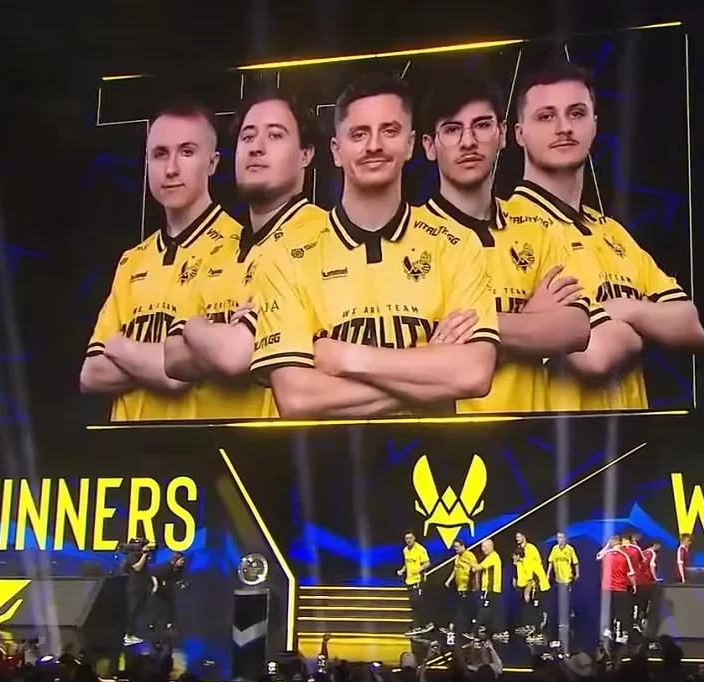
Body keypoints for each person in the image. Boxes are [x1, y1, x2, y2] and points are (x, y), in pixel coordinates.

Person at [248, 73, 499, 419]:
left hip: (432, 452)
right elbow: (297, 398)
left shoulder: (456, 244)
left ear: (410, 144)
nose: (374, 146)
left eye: (389, 131)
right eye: (359, 134)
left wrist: (347, 358)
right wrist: (431, 373)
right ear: (336, 151)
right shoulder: (286, 256)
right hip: (328, 454)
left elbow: (473, 374)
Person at [503, 62, 704, 411]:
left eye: (577, 113)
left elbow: (691, 326)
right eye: (546, 116)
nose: (564, 128)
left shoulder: (612, 232)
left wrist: (622, 309)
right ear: (519, 133)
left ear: (594, 123)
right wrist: (648, 323)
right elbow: (595, 355)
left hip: (632, 436)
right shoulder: (506, 228)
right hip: (554, 439)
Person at [420, 70, 593, 413]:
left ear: (501, 135)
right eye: (452, 129)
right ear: (428, 146)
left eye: (482, 125)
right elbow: (410, 362)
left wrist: (467, 333)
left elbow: (576, 329)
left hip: (532, 435)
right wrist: (533, 318)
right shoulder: (411, 236)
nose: (468, 141)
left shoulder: (537, 229)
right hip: (448, 437)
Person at [163, 89, 329, 420]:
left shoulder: (323, 236)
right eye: (247, 136)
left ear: (306, 154)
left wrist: (194, 329)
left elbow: (236, 355)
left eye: (275, 135)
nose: (256, 147)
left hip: (282, 443)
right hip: (209, 443)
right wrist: (216, 335)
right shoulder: (217, 248)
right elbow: (171, 358)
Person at [82, 100, 243, 421]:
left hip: (203, 443)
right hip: (131, 446)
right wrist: (166, 363)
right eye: (159, 154)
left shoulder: (243, 248)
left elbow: (178, 375)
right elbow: (91, 374)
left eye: (186, 152)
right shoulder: (132, 261)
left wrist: (120, 347)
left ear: (212, 163)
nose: (170, 169)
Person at [597, 534, 635, 643]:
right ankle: (619, 634)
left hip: (607, 588)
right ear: (620, 543)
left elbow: (598, 556)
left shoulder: (606, 554)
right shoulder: (624, 555)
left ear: (612, 543)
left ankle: (609, 630)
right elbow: (631, 573)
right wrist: (634, 585)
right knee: (621, 612)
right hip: (620, 588)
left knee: (609, 610)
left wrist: (607, 546)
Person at [511, 531, 549, 639]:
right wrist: (516, 579)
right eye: (516, 537)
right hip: (525, 582)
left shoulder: (531, 549)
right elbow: (518, 567)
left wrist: (530, 586)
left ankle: (539, 631)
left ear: (524, 536)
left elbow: (533, 568)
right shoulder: (519, 551)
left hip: (536, 583)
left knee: (536, 606)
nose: (517, 539)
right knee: (528, 606)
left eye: (519, 536)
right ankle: (531, 626)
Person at [121, 537, 157, 645]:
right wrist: (144, 555)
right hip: (134, 588)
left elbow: (146, 570)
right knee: (132, 611)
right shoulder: (131, 555)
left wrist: (153, 583)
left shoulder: (140, 555)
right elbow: (137, 568)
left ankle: (134, 633)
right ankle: (128, 635)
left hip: (142, 587)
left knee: (139, 611)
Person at [545, 531, 578, 646]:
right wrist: (548, 574)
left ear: (565, 539)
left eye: (561, 538)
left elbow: (575, 562)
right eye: (558, 538)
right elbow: (550, 562)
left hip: (567, 578)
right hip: (558, 579)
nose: (559, 540)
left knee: (566, 599)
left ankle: (567, 619)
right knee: (559, 600)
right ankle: (561, 619)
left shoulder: (570, 549)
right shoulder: (554, 549)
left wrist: (577, 574)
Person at [398, 531, 432, 636]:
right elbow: (407, 563)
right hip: (409, 581)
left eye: (410, 538)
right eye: (407, 538)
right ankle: (418, 626)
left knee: (418, 604)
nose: (408, 540)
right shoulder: (405, 550)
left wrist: (419, 570)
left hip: (418, 581)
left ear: (414, 538)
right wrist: (402, 570)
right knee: (414, 604)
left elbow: (427, 563)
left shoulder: (420, 549)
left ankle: (424, 625)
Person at [445, 538, 480, 641]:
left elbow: (476, 569)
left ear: (462, 546)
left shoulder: (469, 555)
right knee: (460, 607)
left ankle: (466, 629)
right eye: (454, 547)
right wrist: (448, 580)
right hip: (459, 587)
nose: (455, 549)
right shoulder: (457, 557)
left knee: (465, 608)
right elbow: (455, 570)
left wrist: (476, 584)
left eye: (457, 547)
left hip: (468, 586)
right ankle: (458, 627)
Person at [150, 553, 188, 634]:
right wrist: (156, 585)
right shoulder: (165, 567)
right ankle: (152, 623)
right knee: (159, 607)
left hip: (168, 588)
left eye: (184, 560)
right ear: (175, 560)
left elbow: (177, 578)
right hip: (158, 587)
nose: (183, 562)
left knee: (170, 606)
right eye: (181, 560)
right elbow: (154, 575)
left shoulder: (180, 568)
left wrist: (182, 584)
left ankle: (169, 624)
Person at [476, 539, 505, 639]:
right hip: (489, 588)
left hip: (490, 588)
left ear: (490, 546)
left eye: (484, 546)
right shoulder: (489, 557)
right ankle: (492, 630)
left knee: (483, 609)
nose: (482, 549)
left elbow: (477, 568)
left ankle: (474, 631)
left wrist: (469, 561)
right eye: (482, 546)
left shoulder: (493, 557)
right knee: (491, 610)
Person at [635, 542, 661, 639]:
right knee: (646, 604)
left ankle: (637, 622)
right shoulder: (652, 553)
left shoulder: (642, 552)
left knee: (639, 603)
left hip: (638, 582)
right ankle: (642, 622)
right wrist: (655, 578)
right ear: (654, 545)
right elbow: (652, 566)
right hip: (647, 582)